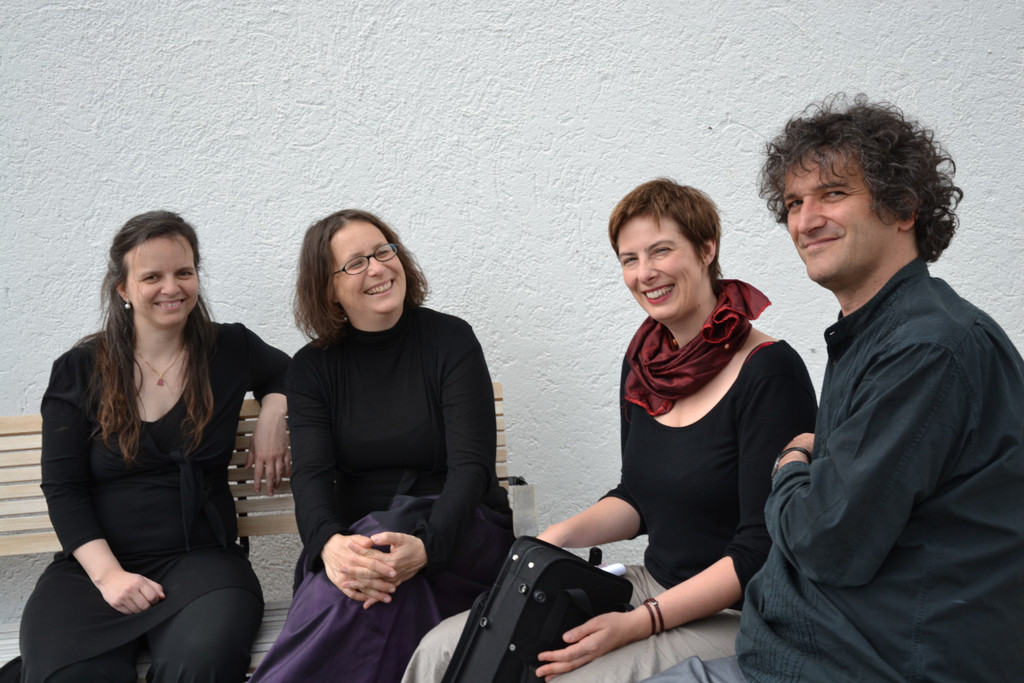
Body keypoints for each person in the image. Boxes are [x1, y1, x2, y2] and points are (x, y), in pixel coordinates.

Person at [644, 96, 1024, 683]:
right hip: (810, 651)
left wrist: (791, 463)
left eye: (833, 194)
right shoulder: (878, 333)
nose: (805, 220)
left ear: (903, 208)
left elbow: (827, 542)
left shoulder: (927, 348)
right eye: (794, 203)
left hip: (869, 664)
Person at [402, 180, 817, 683]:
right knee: (443, 650)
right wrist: (552, 541)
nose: (645, 273)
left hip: (741, 614)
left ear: (707, 249)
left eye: (661, 251)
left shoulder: (769, 371)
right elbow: (638, 498)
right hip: (652, 587)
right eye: (629, 259)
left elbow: (761, 552)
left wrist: (638, 624)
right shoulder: (645, 363)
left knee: (556, 678)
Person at [13, 211, 290, 682]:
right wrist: (110, 577)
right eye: (152, 277)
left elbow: (293, 372)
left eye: (184, 272)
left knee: (198, 664)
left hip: (203, 564)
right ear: (122, 288)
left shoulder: (230, 347)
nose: (171, 287)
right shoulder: (80, 369)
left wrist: (274, 413)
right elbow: (63, 488)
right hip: (95, 569)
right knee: (70, 674)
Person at [248, 209, 514, 683]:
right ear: (328, 288)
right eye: (355, 263)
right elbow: (312, 475)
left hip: (460, 535)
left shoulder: (450, 340)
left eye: (383, 251)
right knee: (361, 583)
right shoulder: (312, 369)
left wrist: (427, 547)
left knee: (363, 592)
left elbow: (472, 468)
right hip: (362, 546)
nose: (377, 268)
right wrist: (329, 545)